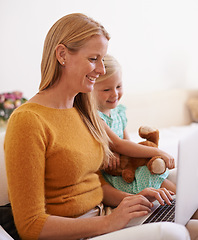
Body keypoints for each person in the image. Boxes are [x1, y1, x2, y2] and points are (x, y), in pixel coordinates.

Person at [4, 13, 191, 240]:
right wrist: (109, 222)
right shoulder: (28, 121)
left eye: (102, 59)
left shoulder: (84, 112)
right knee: (174, 234)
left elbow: (95, 186)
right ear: (62, 55)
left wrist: (133, 200)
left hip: (104, 217)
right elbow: (31, 226)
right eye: (94, 58)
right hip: (81, 230)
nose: (102, 70)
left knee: (187, 210)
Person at [93, 54, 176, 194]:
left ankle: (185, 207)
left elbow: (128, 144)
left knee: (160, 177)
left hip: (127, 166)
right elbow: (119, 144)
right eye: (106, 90)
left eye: (118, 86)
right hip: (115, 175)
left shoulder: (119, 112)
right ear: (90, 89)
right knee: (159, 182)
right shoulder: (96, 117)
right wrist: (158, 151)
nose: (115, 94)